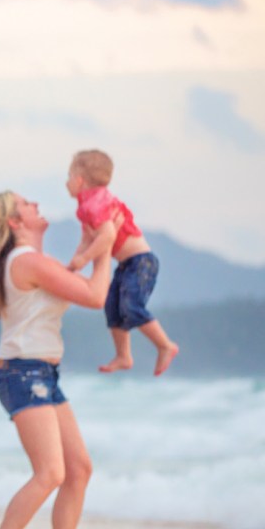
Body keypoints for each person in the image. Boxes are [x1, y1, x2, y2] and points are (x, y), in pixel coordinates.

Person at [0, 191, 114, 529]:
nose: (35, 203)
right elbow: (94, 295)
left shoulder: (36, 262)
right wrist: (105, 247)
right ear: (14, 223)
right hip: (23, 373)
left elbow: (77, 280)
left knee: (78, 468)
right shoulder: (27, 261)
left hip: (43, 374)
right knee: (50, 472)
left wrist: (93, 243)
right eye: (25, 204)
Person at [65, 149, 179, 376]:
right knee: (112, 307)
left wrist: (84, 259)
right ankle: (124, 355)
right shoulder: (86, 206)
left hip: (140, 262)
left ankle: (165, 345)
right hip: (127, 265)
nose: (66, 183)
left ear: (79, 180)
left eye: (68, 177)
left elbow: (107, 236)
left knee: (131, 307)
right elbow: (88, 239)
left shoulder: (96, 203)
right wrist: (73, 266)